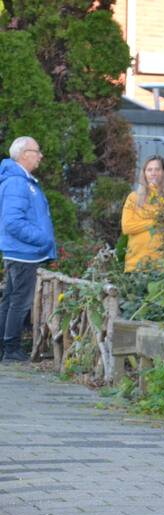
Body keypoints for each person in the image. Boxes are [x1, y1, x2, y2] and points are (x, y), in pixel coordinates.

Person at [0, 137, 56, 363]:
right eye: (37, 151)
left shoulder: (22, 180)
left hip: (20, 252)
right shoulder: (17, 182)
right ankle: (11, 349)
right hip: (23, 253)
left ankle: (6, 347)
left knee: (10, 300)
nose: (40, 156)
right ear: (24, 154)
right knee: (19, 302)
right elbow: (12, 222)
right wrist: (43, 239)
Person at [121, 155, 164, 272]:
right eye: (149, 170)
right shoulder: (133, 198)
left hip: (162, 266)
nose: (153, 173)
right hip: (135, 265)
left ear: (163, 172)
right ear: (144, 174)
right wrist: (154, 222)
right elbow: (127, 227)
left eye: (157, 169)